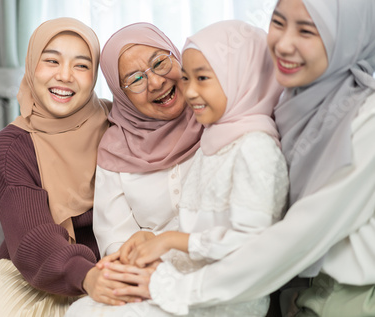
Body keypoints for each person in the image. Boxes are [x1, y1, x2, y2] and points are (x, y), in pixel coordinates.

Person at [109, 1, 375, 316]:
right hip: (291, 291)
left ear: (347, 35)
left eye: (307, 30)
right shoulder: (290, 104)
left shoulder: (365, 121)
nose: (284, 44)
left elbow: (293, 239)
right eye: (278, 23)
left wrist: (171, 284)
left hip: (350, 298)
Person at [0, 17, 125, 317]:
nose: (65, 75)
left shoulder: (118, 124)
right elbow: (32, 236)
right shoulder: (12, 145)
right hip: (27, 275)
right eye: (51, 60)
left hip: (106, 270)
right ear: (31, 65)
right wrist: (87, 276)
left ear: (95, 75)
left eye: (81, 65)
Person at [124, 20, 288, 317]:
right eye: (186, 79)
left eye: (203, 78)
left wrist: (171, 241)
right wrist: (154, 239)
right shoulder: (214, 139)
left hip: (226, 298)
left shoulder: (255, 148)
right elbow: (201, 224)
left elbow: (252, 246)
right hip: (191, 282)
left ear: (241, 77)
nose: (189, 92)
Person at [64, 22, 203, 316]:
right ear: (120, 93)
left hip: (217, 270)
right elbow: (114, 239)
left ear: (177, 57)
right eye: (136, 79)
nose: (155, 82)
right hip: (146, 275)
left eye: (159, 63)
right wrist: (138, 262)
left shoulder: (215, 119)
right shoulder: (115, 149)